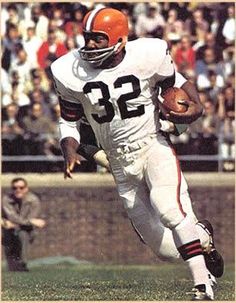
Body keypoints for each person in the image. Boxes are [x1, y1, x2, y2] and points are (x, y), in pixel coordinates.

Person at [51, 7, 224, 300]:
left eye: (98, 39)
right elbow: (68, 119)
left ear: (119, 39)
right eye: (88, 38)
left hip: (152, 144)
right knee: (164, 249)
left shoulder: (148, 54)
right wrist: (68, 146)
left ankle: (201, 284)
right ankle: (203, 236)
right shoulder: (68, 70)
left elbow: (176, 87)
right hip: (118, 160)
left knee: (169, 209)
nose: (90, 45)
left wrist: (195, 108)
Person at [2, 178, 46, 271]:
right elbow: (12, 217)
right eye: (15, 188)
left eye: (21, 187)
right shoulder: (6, 200)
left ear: (26, 188)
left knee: (23, 234)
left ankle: (23, 263)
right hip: (8, 230)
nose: (18, 190)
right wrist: (29, 222)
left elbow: (31, 218)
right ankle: (16, 265)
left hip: (26, 230)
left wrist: (16, 224)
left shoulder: (34, 200)